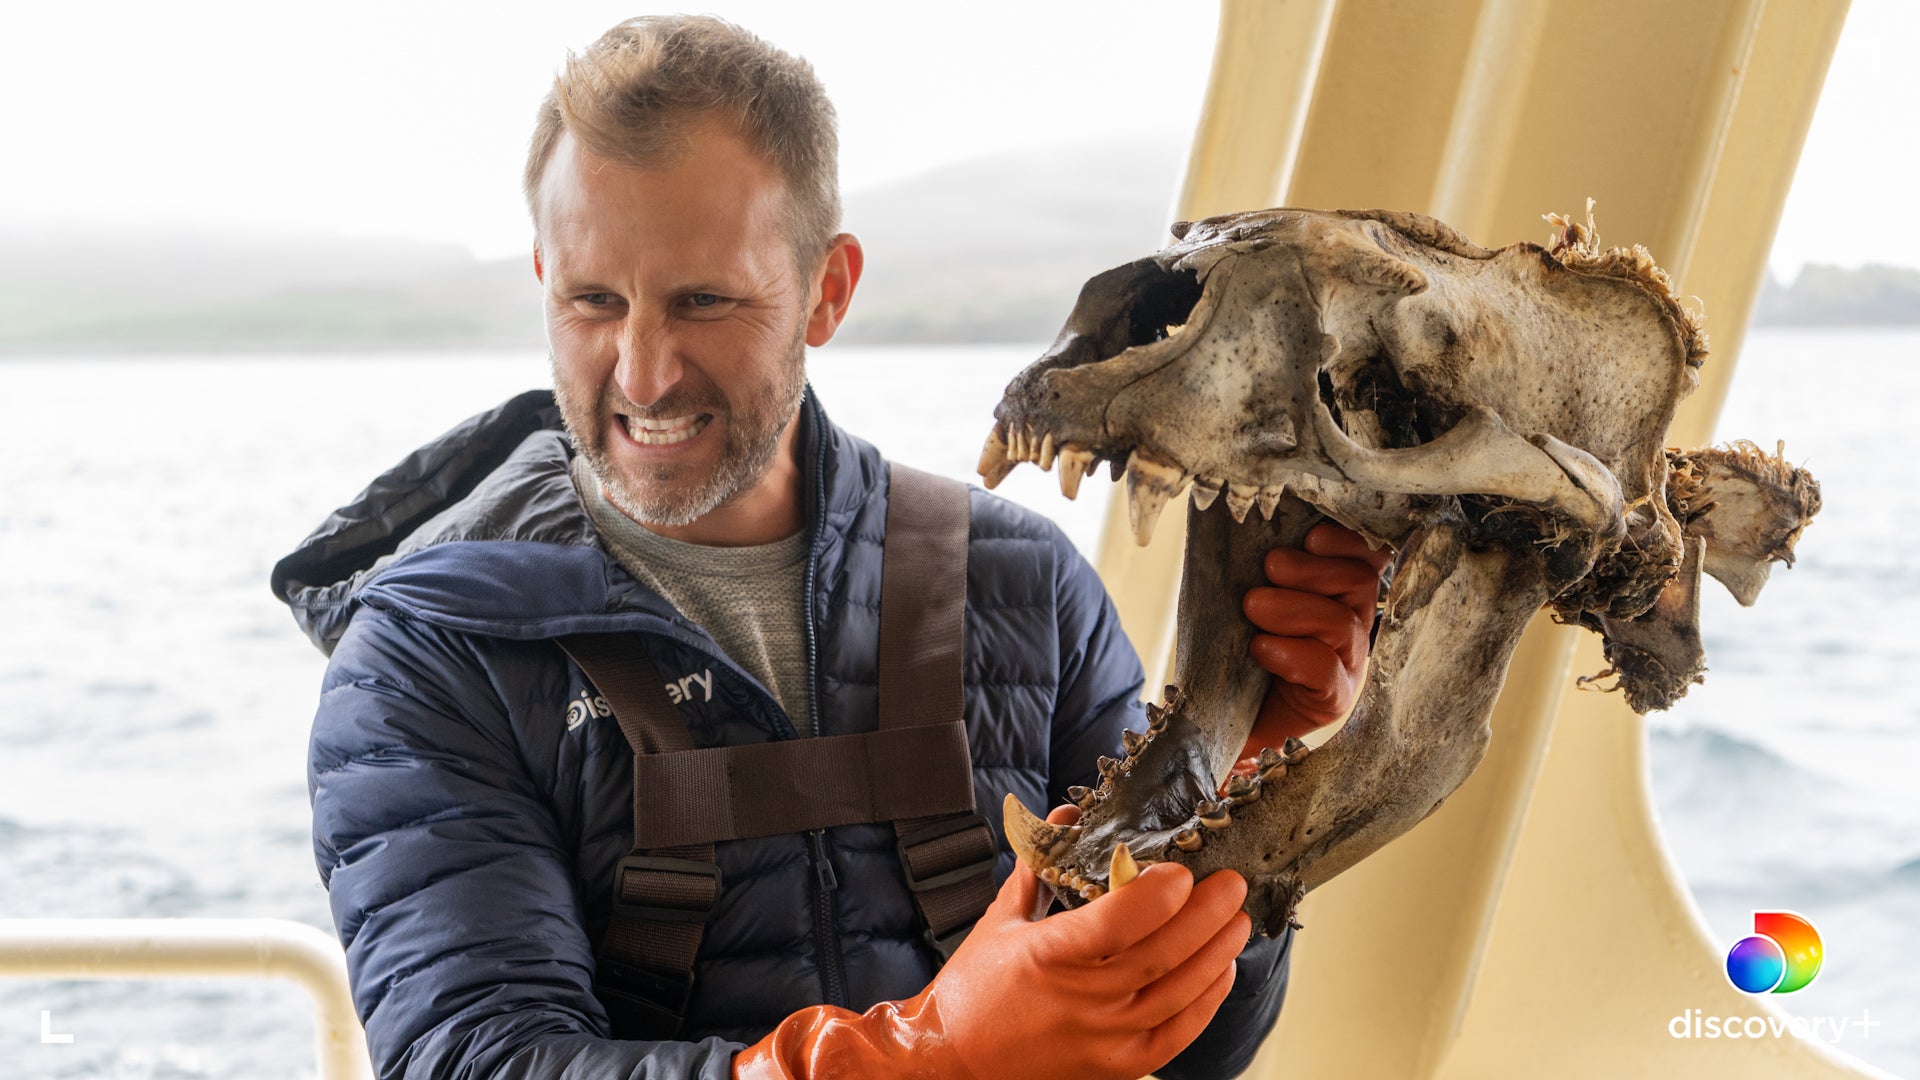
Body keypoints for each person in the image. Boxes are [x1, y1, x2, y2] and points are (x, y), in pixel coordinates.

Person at [272, 15, 1390, 1079]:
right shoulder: (428, 658)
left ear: (828, 290)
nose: (644, 370)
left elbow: (1195, 1043)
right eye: (593, 300)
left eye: (704, 300)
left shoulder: (1022, 586)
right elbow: (476, 1058)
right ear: (541, 283)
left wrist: (1234, 760)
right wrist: (929, 1059)